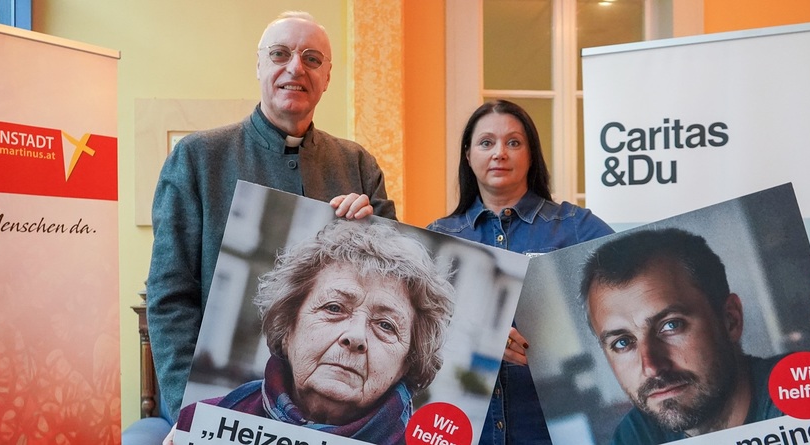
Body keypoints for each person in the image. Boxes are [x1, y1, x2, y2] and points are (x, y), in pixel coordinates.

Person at [146, 10, 396, 430]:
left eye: (312, 59)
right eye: (280, 54)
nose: (295, 68)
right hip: (226, 409)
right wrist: (188, 411)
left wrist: (371, 232)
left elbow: (396, 278)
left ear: (327, 77)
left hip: (338, 416)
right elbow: (170, 298)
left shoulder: (358, 165)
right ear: (259, 65)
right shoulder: (197, 158)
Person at [427, 100, 614, 444]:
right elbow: (419, 337)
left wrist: (545, 349)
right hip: (467, 430)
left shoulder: (575, 227)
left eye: (513, 142)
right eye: (486, 143)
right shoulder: (439, 237)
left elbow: (625, 305)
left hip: (548, 430)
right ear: (468, 155)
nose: (500, 153)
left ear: (531, 155)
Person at [175, 220, 455, 445]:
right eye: (334, 308)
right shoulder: (201, 423)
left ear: (406, 364)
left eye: (385, 325)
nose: (355, 337)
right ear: (288, 327)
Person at [578, 228, 810, 443]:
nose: (651, 366)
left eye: (671, 325)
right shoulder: (635, 434)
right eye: (623, 342)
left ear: (730, 320)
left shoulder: (809, 387)